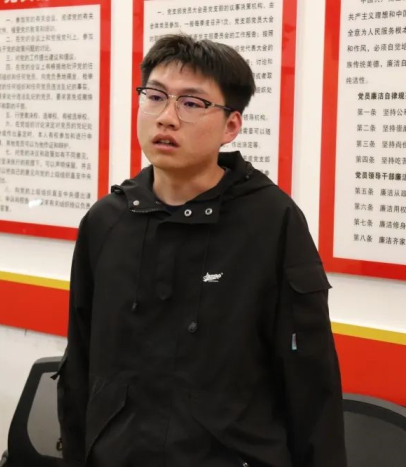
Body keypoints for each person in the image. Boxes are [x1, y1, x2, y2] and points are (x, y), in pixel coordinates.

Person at [57, 34, 346, 467]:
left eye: (192, 103)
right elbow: (79, 363)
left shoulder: (270, 221)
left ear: (231, 125)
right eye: (155, 96)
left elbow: (309, 379)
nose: (166, 118)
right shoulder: (107, 221)